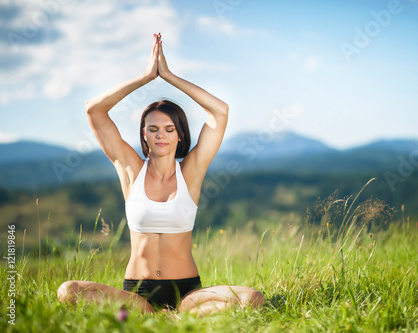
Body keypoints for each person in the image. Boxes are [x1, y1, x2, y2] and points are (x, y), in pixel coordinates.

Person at [57, 33, 264, 317]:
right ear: (144, 134)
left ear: (180, 135)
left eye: (169, 129)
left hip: (187, 292)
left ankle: (179, 316)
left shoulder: (191, 171)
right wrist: (145, 77)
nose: (161, 136)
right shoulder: (130, 169)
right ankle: (154, 316)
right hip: (136, 293)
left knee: (251, 297)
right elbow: (94, 109)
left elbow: (220, 111)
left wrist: (168, 76)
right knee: (68, 291)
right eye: (153, 129)